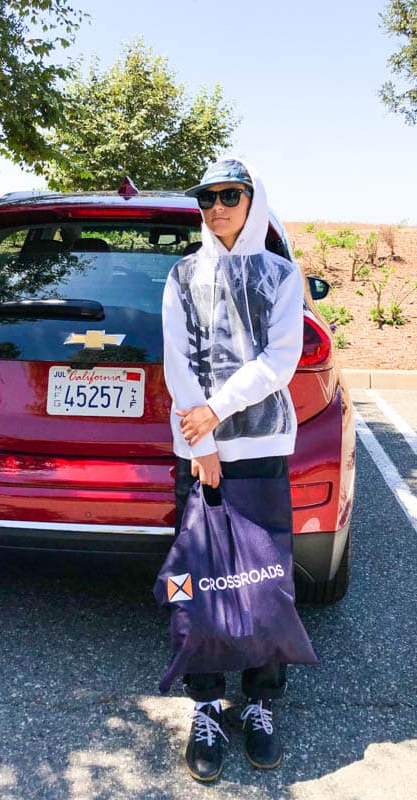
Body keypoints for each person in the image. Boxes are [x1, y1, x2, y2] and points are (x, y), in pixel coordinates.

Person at [161, 156, 305, 782]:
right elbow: (178, 362)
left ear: (253, 201)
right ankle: (207, 704)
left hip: (261, 447)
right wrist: (201, 444)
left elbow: (280, 360)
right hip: (200, 450)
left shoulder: (281, 275)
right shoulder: (182, 273)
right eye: (207, 197)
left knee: (263, 579)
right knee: (199, 578)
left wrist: (215, 414)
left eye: (230, 195)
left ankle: (262, 700)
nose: (216, 207)